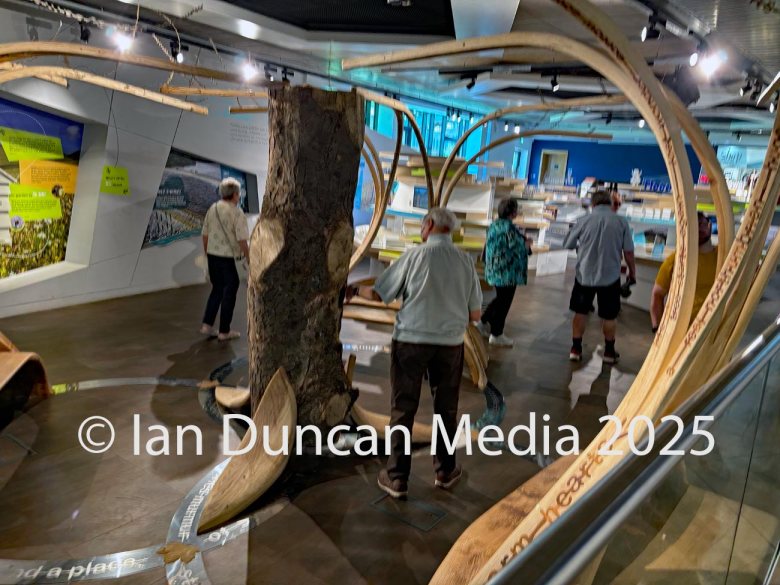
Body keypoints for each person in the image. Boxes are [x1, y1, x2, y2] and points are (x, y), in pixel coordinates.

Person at [346, 207, 482, 499]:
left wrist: (354, 292)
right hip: (450, 345)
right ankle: (445, 471)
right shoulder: (465, 262)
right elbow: (475, 314)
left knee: (403, 408)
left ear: (429, 225)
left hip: (410, 341)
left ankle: (396, 477)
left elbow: (381, 294)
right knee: (446, 409)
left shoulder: (413, 256)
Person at [563, 190, 636, 364]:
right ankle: (609, 352)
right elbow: (628, 252)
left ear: (593, 204)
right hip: (610, 276)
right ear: (610, 204)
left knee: (580, 313)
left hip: (584, 276)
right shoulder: (621, 222)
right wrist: (632, 272)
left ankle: (576, 349)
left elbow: (568, 244)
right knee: (609, 316)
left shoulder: (583, 220)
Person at [476, 198, 531, 347]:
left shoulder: (494, 225)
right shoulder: (509, 228)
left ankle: (482, 322)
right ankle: (496, 334)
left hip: (494, 269)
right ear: (513, 212)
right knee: (504, 303)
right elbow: (519, 249)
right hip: (507, 272)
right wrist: (527, 244)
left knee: (500, 299)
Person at [200, 177, 249, 341]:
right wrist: (249, 257)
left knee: (217, 289)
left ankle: (207, 325)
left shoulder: (212, 209)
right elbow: (242, 239)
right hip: (227, 258)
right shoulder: (237, 212)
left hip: (213, 256)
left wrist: (208, 253)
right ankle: (224, 331)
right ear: (235, 194)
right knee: (230, 291)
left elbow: (205, 235)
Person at [650, 212, 717, 332]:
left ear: (710, 226)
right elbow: (657, 294)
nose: (699, 228)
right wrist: (657, 327)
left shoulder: (723, 256)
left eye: (702, 224)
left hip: (714, 329)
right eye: (694, 225)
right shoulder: (676, 261)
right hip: (680, 331)